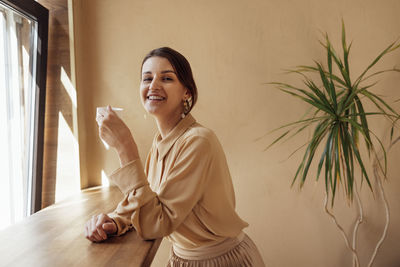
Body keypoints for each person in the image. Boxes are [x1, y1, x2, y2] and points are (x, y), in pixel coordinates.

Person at [86, 47, 265, 266]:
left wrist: (125, 147)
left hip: (220, 260)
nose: (153, 86)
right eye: (147, 78)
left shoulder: (199, 141)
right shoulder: (161, 141)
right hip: (183, 259)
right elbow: (149, 199)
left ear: (187, 92)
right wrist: (115, 220)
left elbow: (157, 224)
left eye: (167, 78)